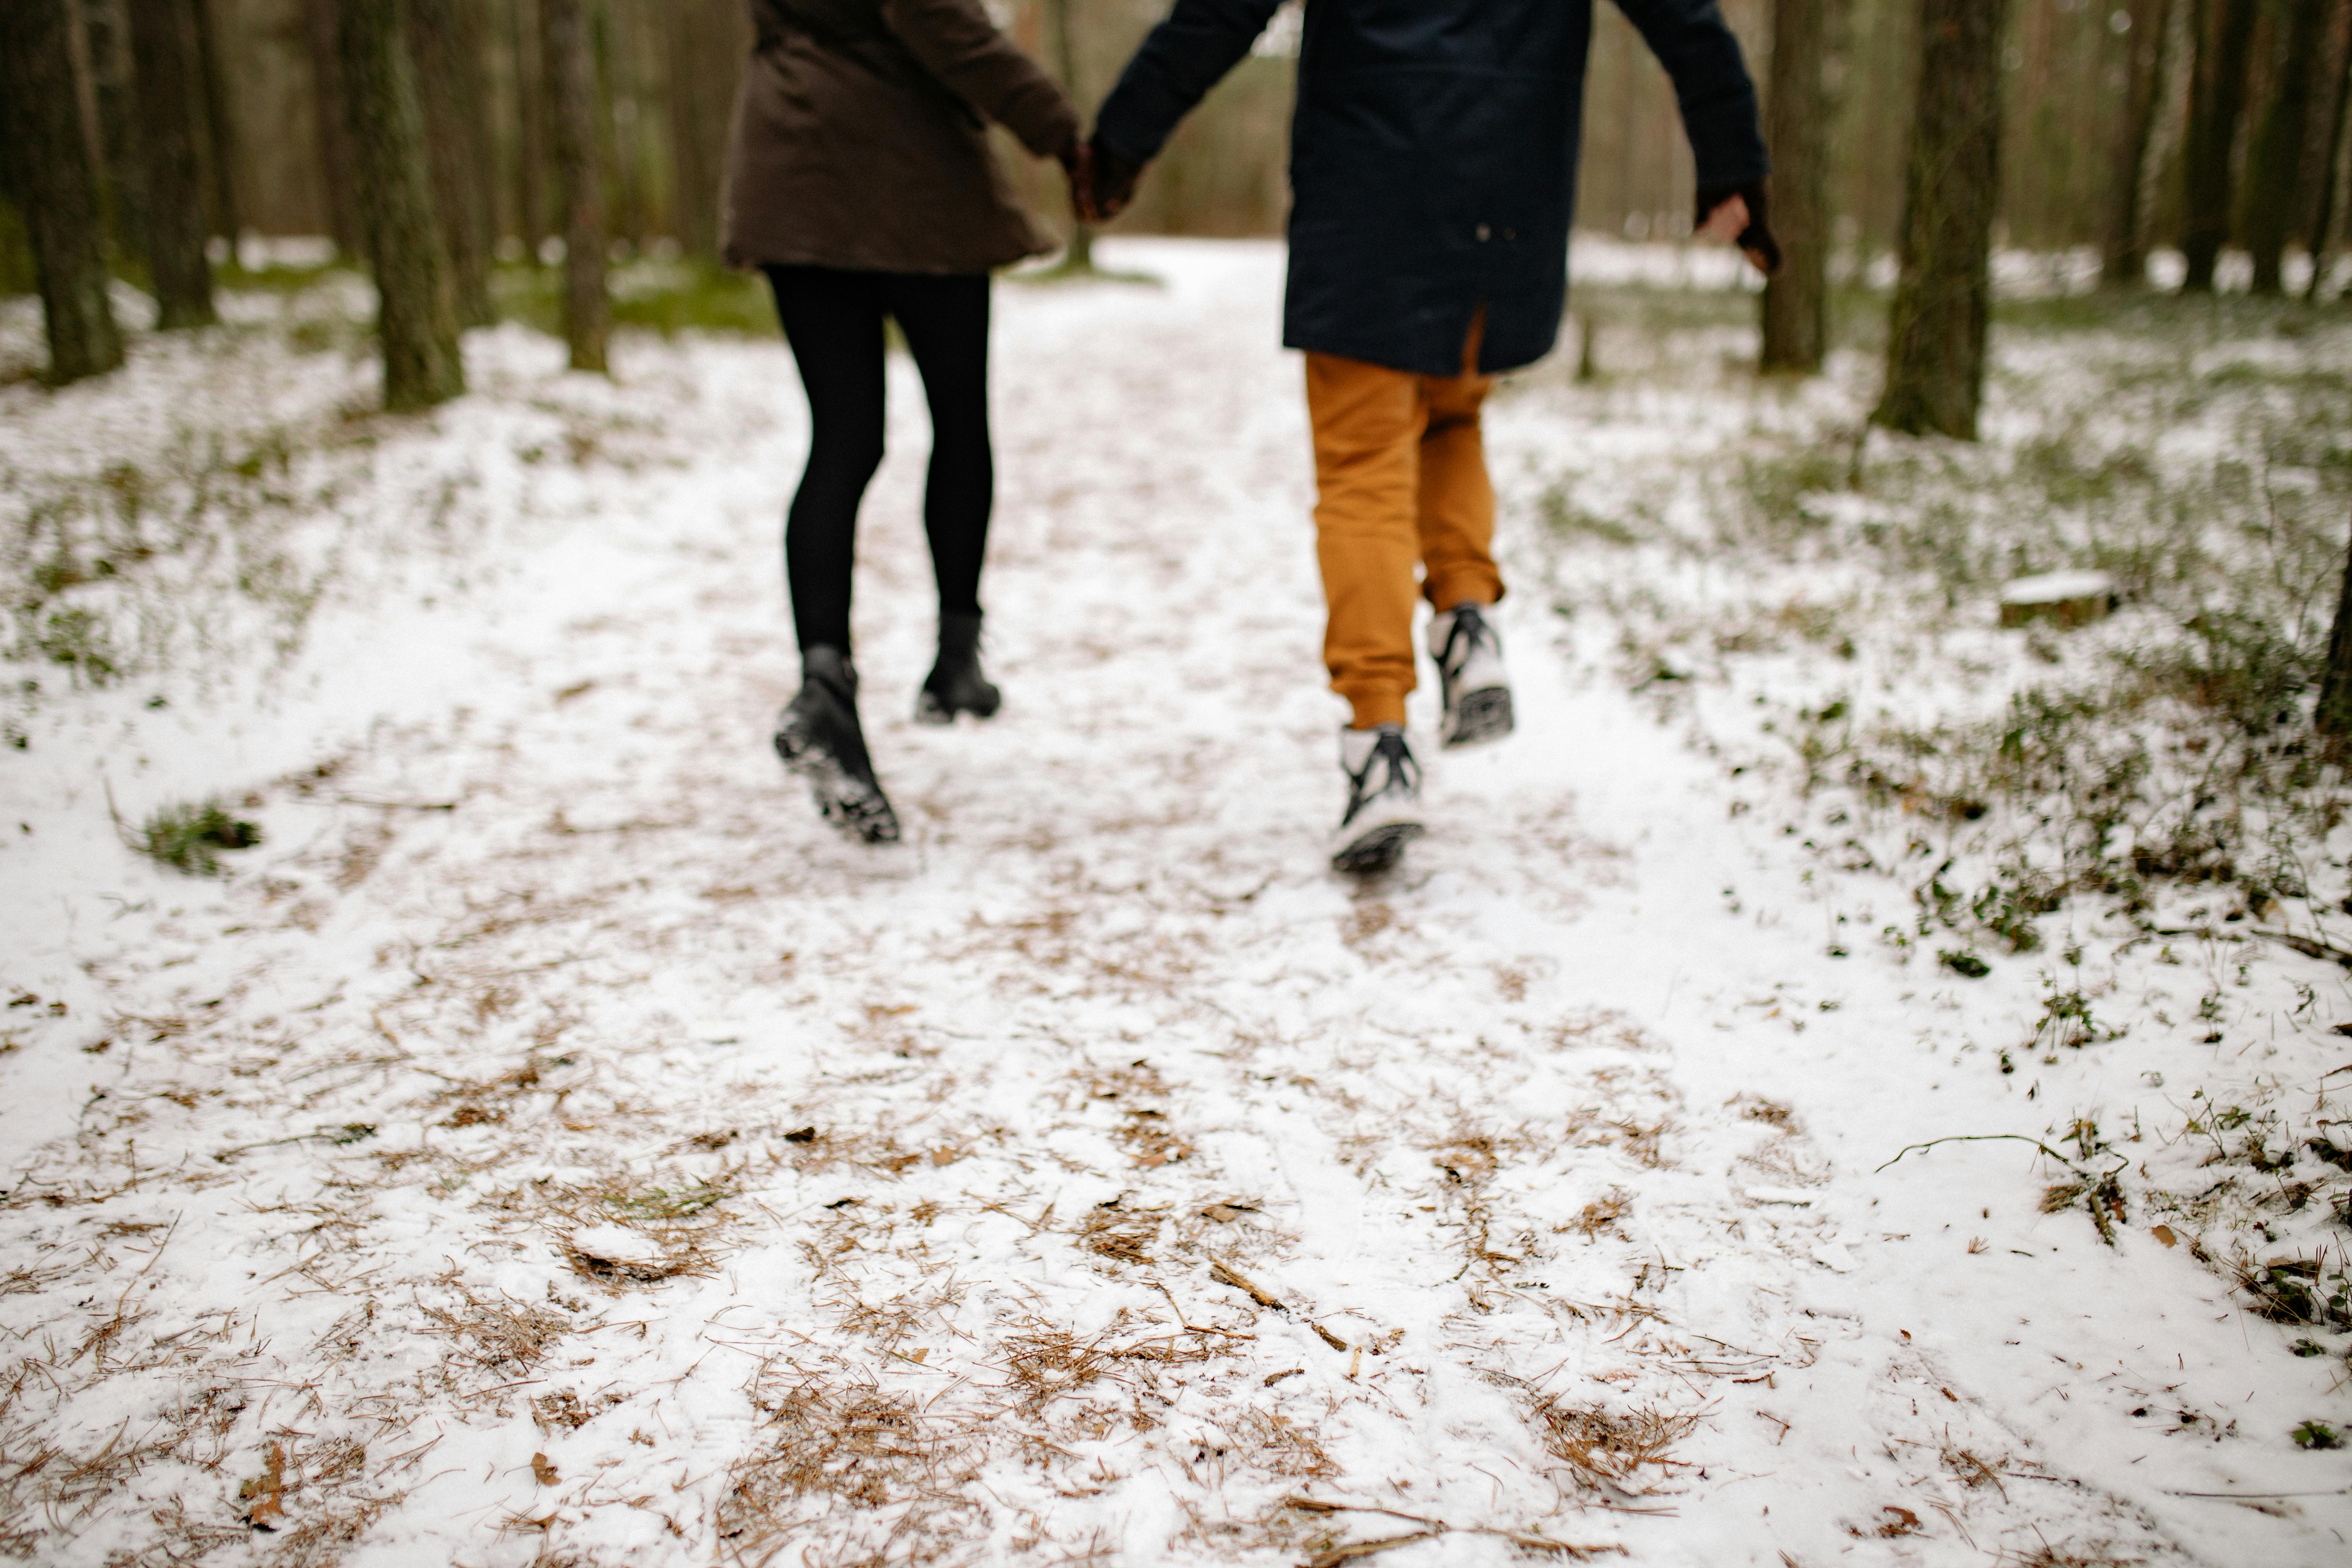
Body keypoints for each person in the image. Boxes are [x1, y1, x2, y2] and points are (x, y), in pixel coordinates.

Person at [1080, 0, 1780, 873]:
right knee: (1453, 416)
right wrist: (1734, 166)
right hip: (1508, 193)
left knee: (1363, 468)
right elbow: (1689, 21)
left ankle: (1380, 745)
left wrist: (1121, 141)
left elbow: (1217, 16)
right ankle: (1465, 616)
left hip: (1367, 194)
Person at [722, 0, 1087, 843]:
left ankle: (826, 687)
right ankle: (956, 655)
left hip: (792, 168)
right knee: (959, 418)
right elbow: (940, 21)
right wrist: (1062, 132)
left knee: (843, 440)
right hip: (908, 177)